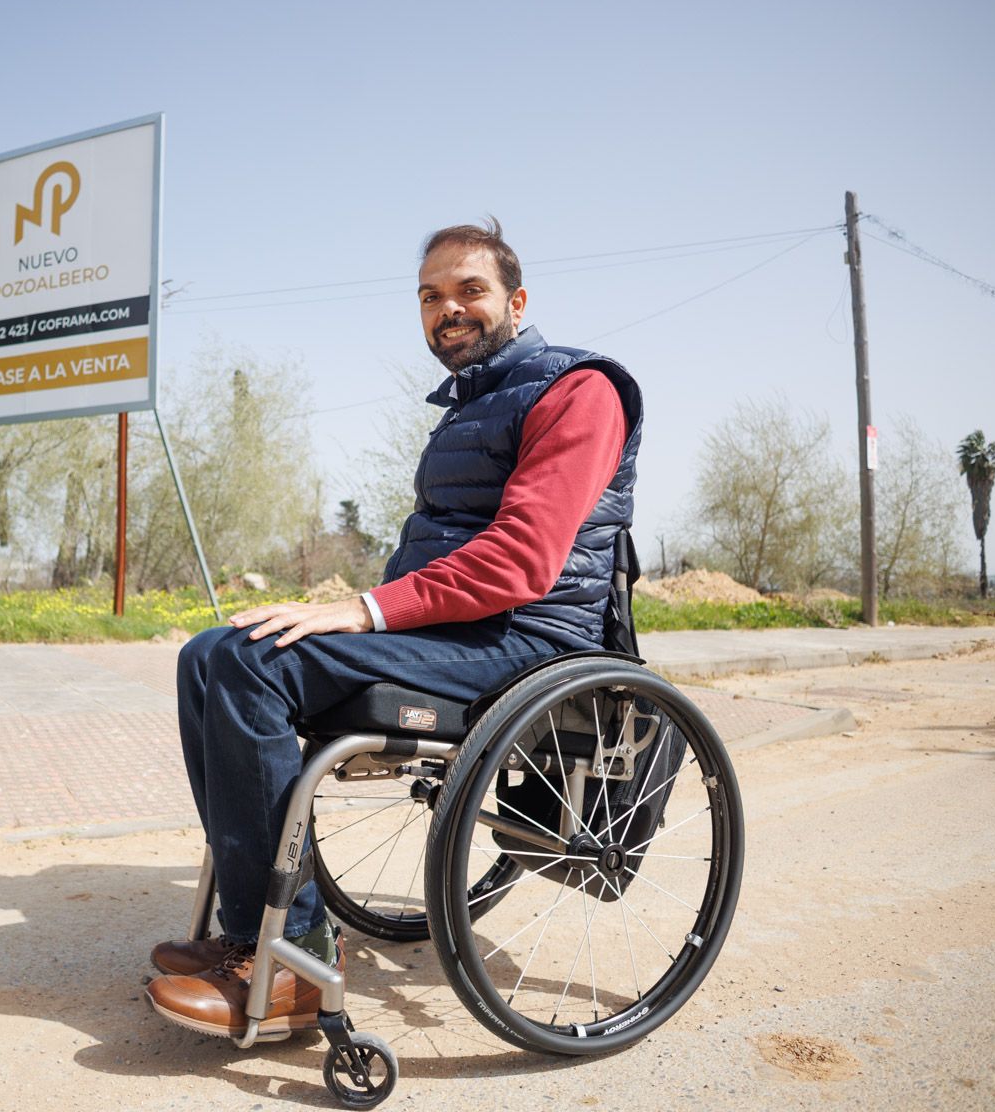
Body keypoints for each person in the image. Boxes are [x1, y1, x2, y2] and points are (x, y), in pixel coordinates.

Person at [146, 218, 644, 1037]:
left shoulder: (578, 392)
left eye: (469, 291)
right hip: (462, 633)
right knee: (209, 655)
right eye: (430, 297)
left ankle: (294, 962)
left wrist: (361, 614)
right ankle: (249, 934)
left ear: (517, 302)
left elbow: (521, 563)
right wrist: (344, 622)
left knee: (249, 664)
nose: (448, 309)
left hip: (526, 641)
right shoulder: (469, 407)